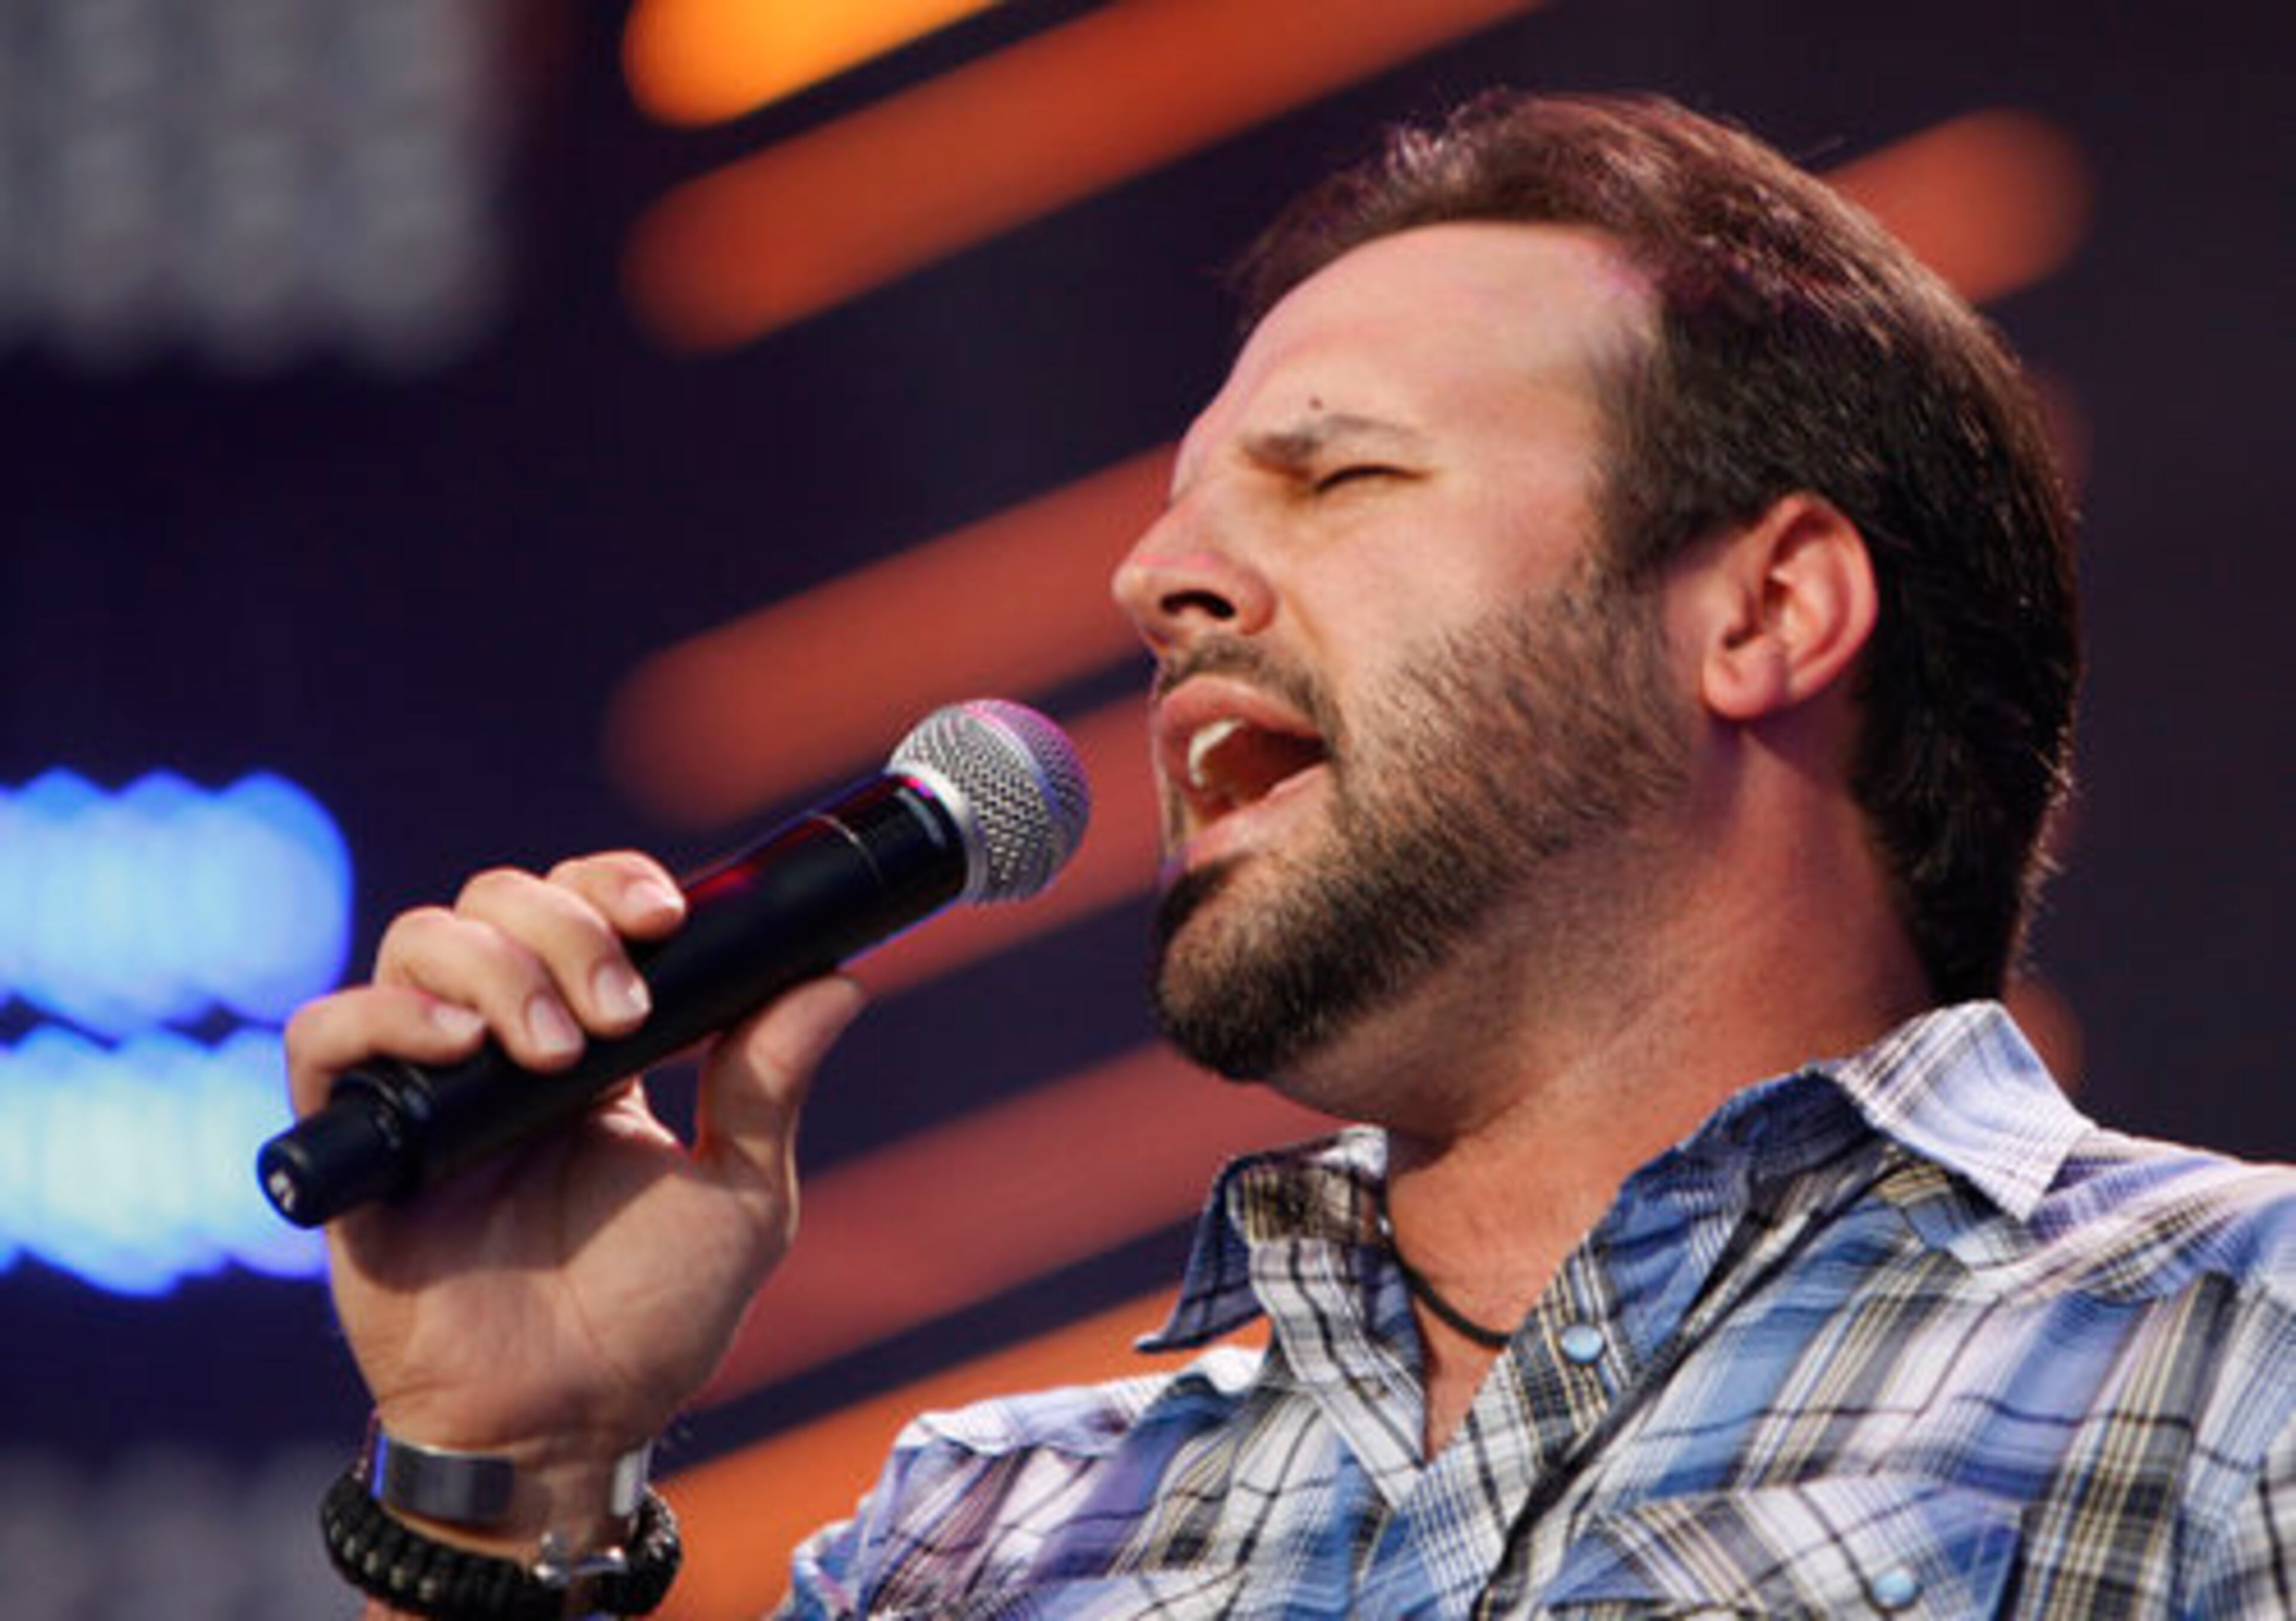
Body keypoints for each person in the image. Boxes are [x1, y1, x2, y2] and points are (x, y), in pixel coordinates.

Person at [287, 92, 2293, 1617]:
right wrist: (516, 1463)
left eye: (1332, 475)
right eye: (1174, 516)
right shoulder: (976, 1540)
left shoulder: (2232, 1354)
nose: (1156, 580)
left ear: (1760, 615)